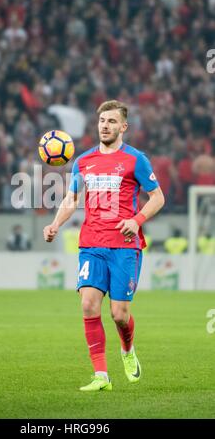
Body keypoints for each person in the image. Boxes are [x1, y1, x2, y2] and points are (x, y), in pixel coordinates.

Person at [43, 100, 165, 391]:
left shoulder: (136, 159)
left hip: (124, 246)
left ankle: (127, 349)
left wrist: (136, 220)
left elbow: (158, 197)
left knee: (120, 315)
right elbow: (72, 199)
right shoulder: (83, 161)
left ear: (123, 127)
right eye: (101, 121)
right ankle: (101, 376)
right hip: (92, 243)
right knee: (88, 304)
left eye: (111, 121)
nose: (105, 126)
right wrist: (55, 224)